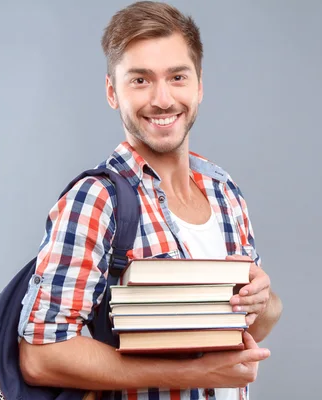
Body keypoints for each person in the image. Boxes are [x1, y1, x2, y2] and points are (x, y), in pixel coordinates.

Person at [18, 2, 282, 399]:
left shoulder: (225, 192)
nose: (162, 99)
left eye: (177, 77)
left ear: (199, 85)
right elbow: (40, 356)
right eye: (140, 80)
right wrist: (194, 374)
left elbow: (243, 331)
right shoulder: (98, 199)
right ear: (112, 91)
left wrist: (265, 302)